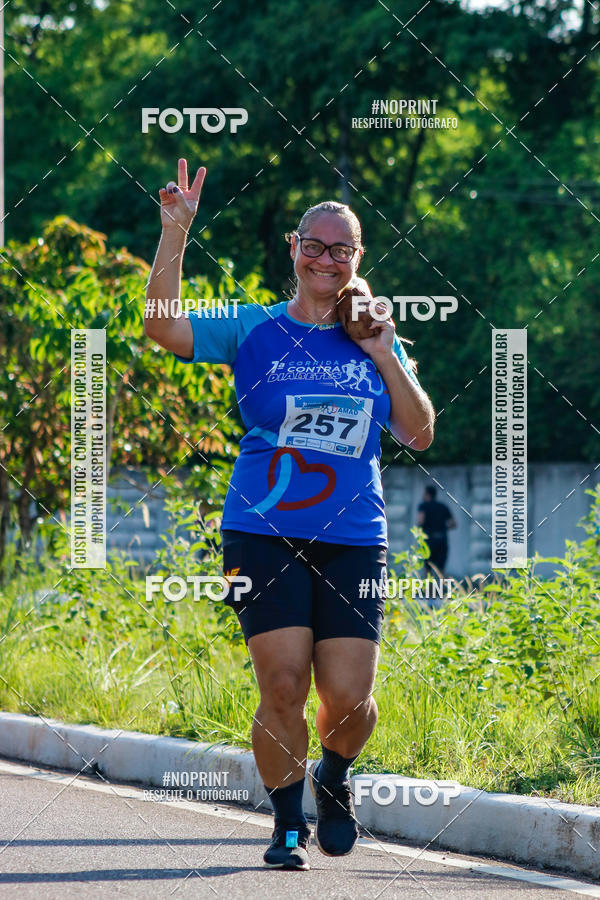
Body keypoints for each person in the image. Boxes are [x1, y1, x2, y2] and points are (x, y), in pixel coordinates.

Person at [144, 159, 435, 871]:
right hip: (261, 529)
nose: (327, 258)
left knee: (349, 698)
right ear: (294, 250)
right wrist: (174, 233)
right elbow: (161, 327)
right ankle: (285, 826)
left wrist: (384, 353)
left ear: (357, 260)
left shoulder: (373, 337)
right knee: (282, 684)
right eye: (316, 244)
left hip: (353, 536)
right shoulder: (253, 329)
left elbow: (420, 431)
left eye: (343, 249)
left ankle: (334, 777)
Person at [417, 485, 456, 577]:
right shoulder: (443, 507)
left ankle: (428, 590)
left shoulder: (423, 506)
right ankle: (443, 589)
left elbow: (420, 521)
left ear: (427, 494)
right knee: (441, 570)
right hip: (442, 540)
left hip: (428, 541)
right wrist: (442, 527)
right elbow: (453, 524)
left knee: (427, 570)